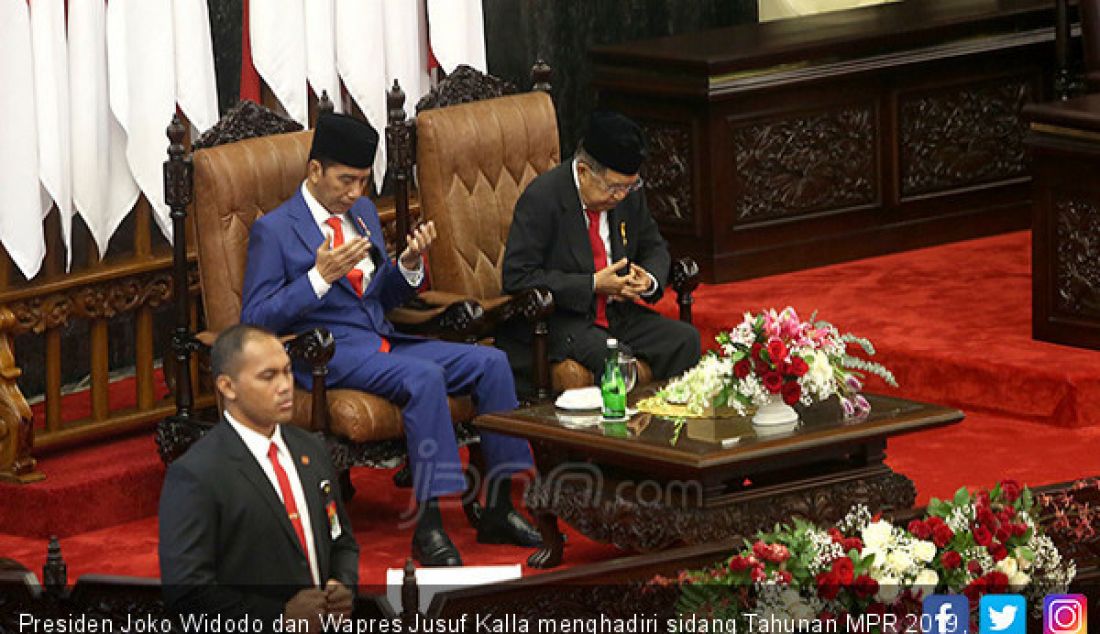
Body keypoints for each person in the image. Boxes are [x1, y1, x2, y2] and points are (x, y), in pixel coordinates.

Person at [238, 112, 540, 567]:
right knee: (424, 377)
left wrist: (409, 266)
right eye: (345, 180)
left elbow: (378, 296)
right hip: (329, 354)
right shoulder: (276, 230)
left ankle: (497, 506)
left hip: (382, 339)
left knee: (491, 363)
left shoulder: (360, 214)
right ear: (315, 170)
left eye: (362, 181)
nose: (355, 193)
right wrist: (318, 279)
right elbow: (254, 320)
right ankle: (430, 525)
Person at [159, 325, 357, 629]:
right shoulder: (196, 474)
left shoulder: (312, 449)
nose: (285, 386)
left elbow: (340, 539)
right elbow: (187, 592)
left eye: (288, 372)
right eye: (268, 376)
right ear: (227, 386)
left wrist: (343, 586)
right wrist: (278, 618)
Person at [500, 110, 701, 393]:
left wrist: (649, 280)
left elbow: (654, 245)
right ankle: (618, 435)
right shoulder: (542, 199)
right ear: (583, 172)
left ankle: (668, 429)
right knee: (615, 359)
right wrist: (593, 284)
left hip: (618, 315)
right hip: (563, 321)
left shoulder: (627, 194)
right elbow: (517, 277)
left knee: (685, 340)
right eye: (613, 187)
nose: (620, 196)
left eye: (629, 187)